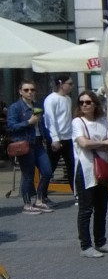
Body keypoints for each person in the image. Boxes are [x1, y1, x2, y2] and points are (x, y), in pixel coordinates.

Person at [71, 90, 108, 258]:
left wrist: (98, 144)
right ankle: (85, 246)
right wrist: (102, 143)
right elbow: (83, 143)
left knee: (101, 208)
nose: (84, 105)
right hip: (85, 169)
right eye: (81, 102)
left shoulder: (102, 121)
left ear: (95, 104)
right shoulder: (78, 122)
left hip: (102, 168)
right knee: (86, 210)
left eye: (88, 102)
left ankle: (101, 241)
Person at [6, 81, 54, 215]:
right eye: (26, 90)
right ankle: (27, 204)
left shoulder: (37, 105)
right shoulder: (15, 107)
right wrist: (29, 122)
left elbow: (42, 126)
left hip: (38, 143)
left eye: (32, 90)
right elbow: (11, 126)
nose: (30, 92)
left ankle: (39, 200)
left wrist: (50, 140)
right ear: (20, 91)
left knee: (47, 171)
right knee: (28, 175)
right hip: (25, 144)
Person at [44, 75, 75, 189]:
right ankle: (42, 195)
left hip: (68, 138)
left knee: (72, 166)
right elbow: (50, 120)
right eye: (70, 84)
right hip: (56, 139)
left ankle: (76, 193)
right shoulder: (51, 99)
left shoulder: (68, 99)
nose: (72, 86)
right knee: (51, 167)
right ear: (61, 84)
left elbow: (68, 118)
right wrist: (55, 139)